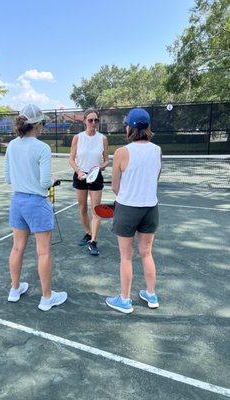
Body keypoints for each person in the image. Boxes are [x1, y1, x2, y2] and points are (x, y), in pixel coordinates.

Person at [4, 104, 67, 311]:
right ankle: (47, 297)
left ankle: (15, 289)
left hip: (17, 202)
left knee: (17, 248)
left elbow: (7, 178)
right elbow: (43, 183)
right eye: (43, 123)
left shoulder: (11, 145)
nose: (43, 126)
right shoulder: (42, 148)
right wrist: (53, 180)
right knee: (44, 252)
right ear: (37, 124)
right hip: (37, 204)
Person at [106, 108, 161, 314]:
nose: (126, 127)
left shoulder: (122, 152)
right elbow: (155, 179)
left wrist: (128, 196)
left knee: (126, 257)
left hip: (127, 209)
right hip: (150, 208)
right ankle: (151, 294)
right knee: (147, 253)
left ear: (130, 127)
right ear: (147, 127)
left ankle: (125, 300)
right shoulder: (157, 150)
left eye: (127, 124)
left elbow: (114, 186)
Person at [69, 108, 109, 256]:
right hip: (80, 176)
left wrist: (101, 167)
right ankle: (87, 232)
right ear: (85, 121)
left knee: (96, 210)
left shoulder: (103, 139)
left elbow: (106, 160)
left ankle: (93, 241)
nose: (93, 122)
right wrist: (79, 171)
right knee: (82, 208)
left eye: (96, 120)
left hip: (96, 176)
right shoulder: (77, 138)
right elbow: (71, 159)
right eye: (90, 120)